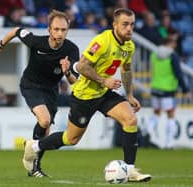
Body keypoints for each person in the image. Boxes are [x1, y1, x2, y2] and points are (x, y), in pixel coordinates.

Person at [22, 8, 151, 182]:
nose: (129, 29)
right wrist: (104, 80)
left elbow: (126, 69)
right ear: (115, 25)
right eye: (125, 24)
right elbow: (82, 66)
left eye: (132, 24)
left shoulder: (129, 45)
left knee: (130, 120)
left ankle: (129, 170)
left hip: (104, 94)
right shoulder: (102, 41)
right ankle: (35, 145)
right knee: (71, 138)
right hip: (84, 96)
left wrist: (129, 95)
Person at [0, 9, 80, 177]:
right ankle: (32, 157)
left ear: (68, 30)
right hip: (31, 85)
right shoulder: (36, 41)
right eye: (56, 29)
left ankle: (34, 165)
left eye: (63, 30)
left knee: (46, 130)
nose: (60, 33)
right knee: (44, 120)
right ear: (49, 29)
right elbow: (17, 30)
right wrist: (0, 44)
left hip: (51, 89)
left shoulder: (72, 49)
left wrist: (67, 72)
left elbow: (74, 81)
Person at [147, 37, 190, 149]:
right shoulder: (172, 56)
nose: (175, 45)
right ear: (170, 43)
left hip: (155, 87)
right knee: (171, 116)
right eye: (174, 43)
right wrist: (185, 89)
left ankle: (148, 132)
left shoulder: (154, 54)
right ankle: (168, 143)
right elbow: (178, 74)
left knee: (156, 113)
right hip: (168, 89)